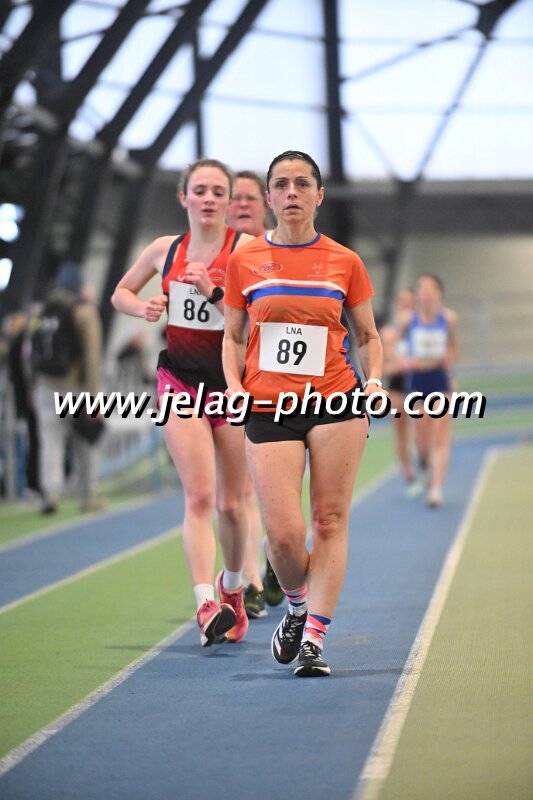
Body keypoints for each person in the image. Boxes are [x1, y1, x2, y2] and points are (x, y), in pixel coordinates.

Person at [223, 150, 383, 677]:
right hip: (268, 404)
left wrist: (374, 381)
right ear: (269, 197)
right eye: (282, 184)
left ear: (319, 195)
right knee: (284, 536)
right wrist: (233, 387)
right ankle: (295, 606)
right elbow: (233, 336)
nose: (292, 192)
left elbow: (367, 336)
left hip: (336, 399)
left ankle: (314, 637)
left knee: (329, 520)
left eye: (302, 184)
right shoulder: (245, 261)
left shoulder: (345, 261)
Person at [111, 158, 254, 648]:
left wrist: (213, 292)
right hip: (180, 382)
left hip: (231, 384)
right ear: (184, 197)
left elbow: (259, 317)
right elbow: (120, 293)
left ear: (229, 200)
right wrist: (143, 306)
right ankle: (205, 604)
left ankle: (232, 590)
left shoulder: (246, 250)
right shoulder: (164, 249)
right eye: (200, 190)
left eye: (218, 191)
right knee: (199, 496)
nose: (209, 199)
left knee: (232, 504)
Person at [226, 170, 284, 618]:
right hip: (226, 382)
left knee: (273, 490)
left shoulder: (279, 253)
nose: (242, 204)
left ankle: (274, 551)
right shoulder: (216, 255)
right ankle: (249, 581)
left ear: (264, 203)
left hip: (276, 384)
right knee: (238, 492)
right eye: (236, 197)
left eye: (250, 197)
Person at [32, 263, 105, 514]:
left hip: (45, 386)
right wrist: (94, 397)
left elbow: (30, 353)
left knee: (50, 442)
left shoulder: (41, 311)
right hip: (75, 387)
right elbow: (92, 358)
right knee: (85, 442)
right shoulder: (84, 312)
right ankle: (88, 495)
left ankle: (50, 494)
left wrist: (33, 385)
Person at [400, 274, 459, 507]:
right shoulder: (408, 319)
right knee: (422, 440)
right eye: (421, 288)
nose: (424, 292)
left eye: (429, 288)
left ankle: (436, 488)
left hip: (439, 380)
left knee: (440, 435)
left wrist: (448, 362)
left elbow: (454, 346)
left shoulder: (449, 318)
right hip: (417, 381)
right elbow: (393, 342)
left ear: (438, 292)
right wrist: (404, 360)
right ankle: (424, 463)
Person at [380, 289, 419, 494]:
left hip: (419, 387)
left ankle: (425, 463)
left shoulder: (421, 331)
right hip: (397, 388)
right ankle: (409, 474)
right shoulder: (388, 333)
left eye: (410, 303)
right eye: (402, 303)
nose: (406, 307)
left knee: (421, 430)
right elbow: (384, 366)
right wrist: (402, 365)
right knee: (401, 432)